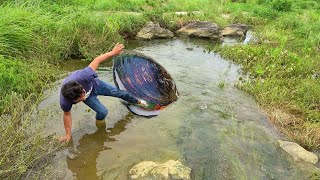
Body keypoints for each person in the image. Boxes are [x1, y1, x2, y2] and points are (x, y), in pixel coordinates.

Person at [59, 43, 148, 142]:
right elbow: (67, 115)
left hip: (96, 85)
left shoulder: (85, 75)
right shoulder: (65, 102)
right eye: (81, 99)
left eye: (83, 93)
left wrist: (113, 52)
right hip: (89, 95)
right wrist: (68, 134)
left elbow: (97, 60)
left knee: (120, 93)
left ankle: (137, 101)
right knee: (103, 112)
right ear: (73, 100)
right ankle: (100, 128)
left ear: (81, 87)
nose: (84, 97)